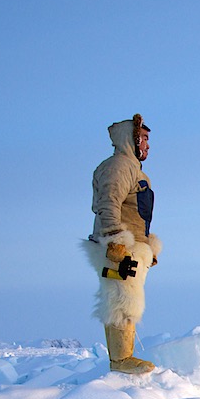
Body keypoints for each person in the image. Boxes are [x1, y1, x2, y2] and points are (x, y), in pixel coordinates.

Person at [82, 113, 160, 374]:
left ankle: (123, 356)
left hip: (132, 246)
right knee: (122, 299)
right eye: (145, 139)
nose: (148, 145)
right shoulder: (118, 166)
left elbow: (137, 215)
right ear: (133, 138)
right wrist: (115, 240)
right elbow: (108, 202)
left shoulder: (133, 169)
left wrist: (148, 246)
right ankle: (121, 359)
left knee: (128, 297)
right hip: (119, 248)